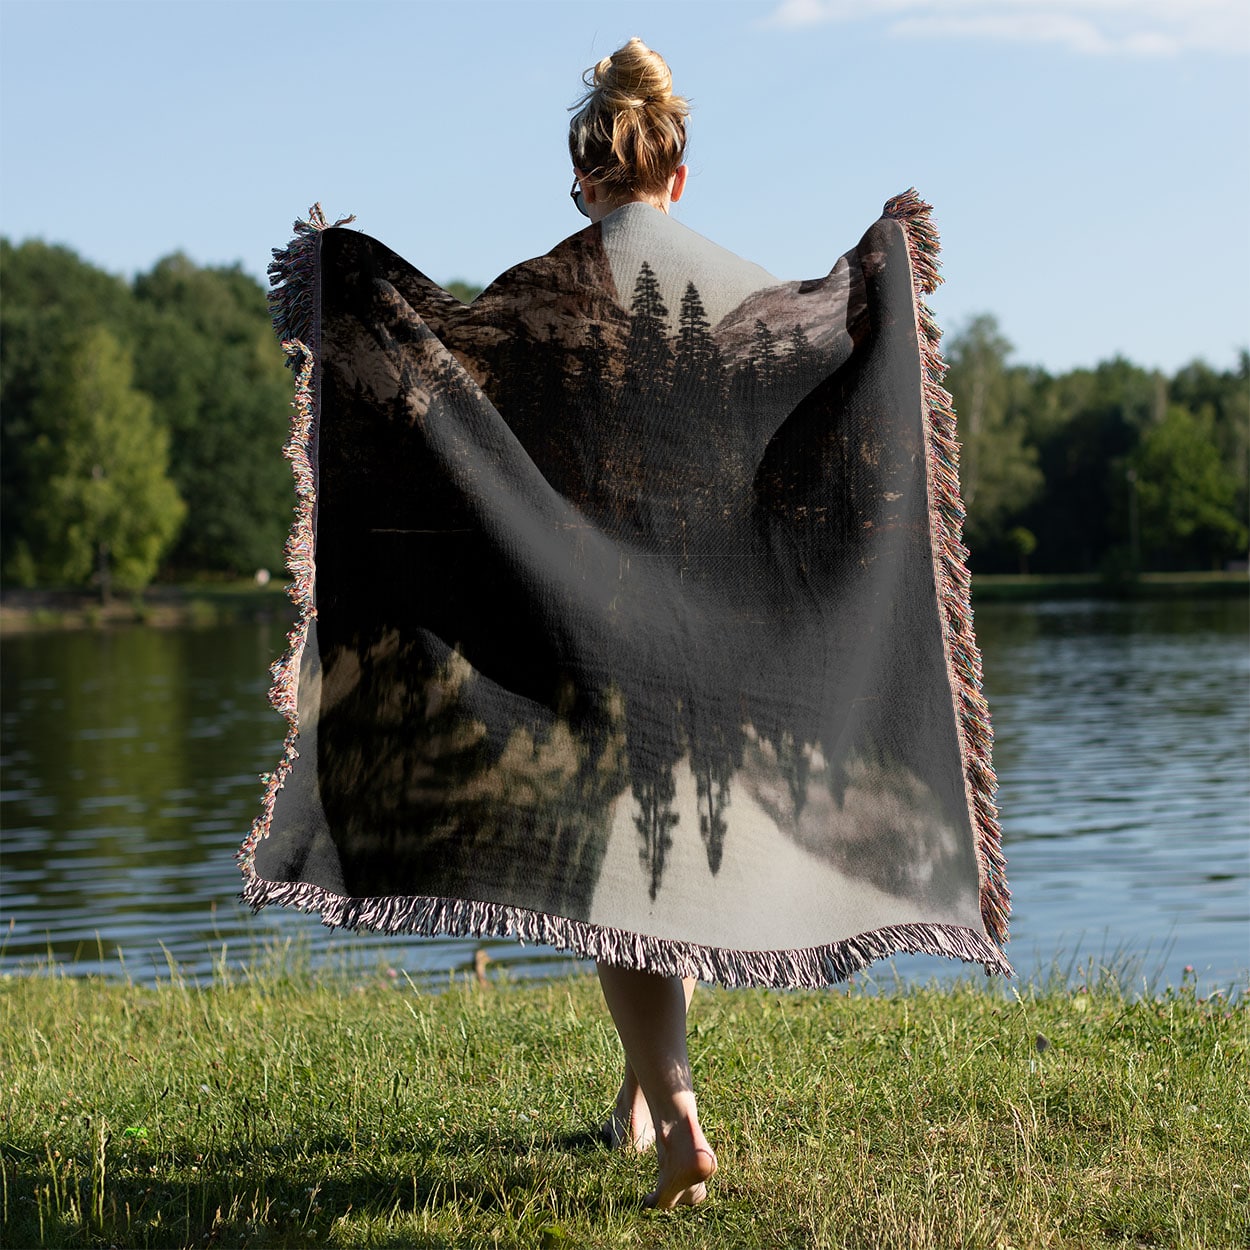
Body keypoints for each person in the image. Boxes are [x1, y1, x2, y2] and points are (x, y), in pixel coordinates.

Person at [568, 36, 717, 1212]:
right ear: (676, 176)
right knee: (661, 860)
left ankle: (676, 1115)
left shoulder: (551, 286)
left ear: (585, 181)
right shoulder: (740, 285)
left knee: (617, 880)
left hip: (598, 615)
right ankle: (632, 1101)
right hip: (715, 624)